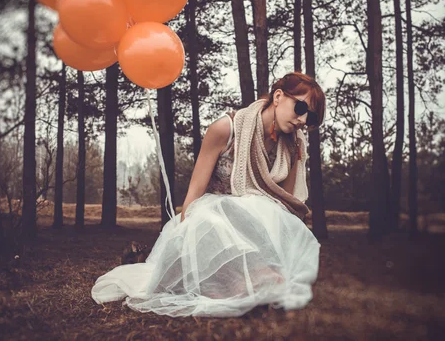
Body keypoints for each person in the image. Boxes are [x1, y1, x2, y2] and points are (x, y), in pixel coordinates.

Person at [91, 72, 326, 317]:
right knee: (182, 282)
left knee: (274, 285)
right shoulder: (226, 128)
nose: (302, 120)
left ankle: (247, 283)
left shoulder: (291, 145)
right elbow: (194, 193)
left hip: (252, 227)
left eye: (310, 118)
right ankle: (143, 262)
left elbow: (282, 205)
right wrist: (184, 238)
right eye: (300, 108)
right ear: (278, 96)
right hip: (213, 224)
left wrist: (276, 253)